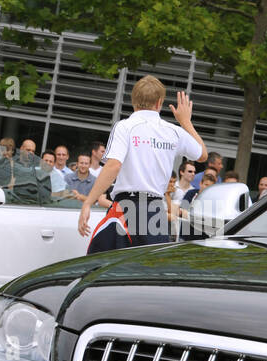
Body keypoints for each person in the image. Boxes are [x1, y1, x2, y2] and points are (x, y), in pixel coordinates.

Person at [78, 75, 206, 252]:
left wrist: (88, 202)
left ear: (133, 101)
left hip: (126, 208)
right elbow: (202, 154)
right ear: (159, 102)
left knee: (101, 268)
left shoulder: (125, 126)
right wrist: (185, 122)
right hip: (155, 210)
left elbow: (114, 165)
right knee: (148, 272)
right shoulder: (173, 131)